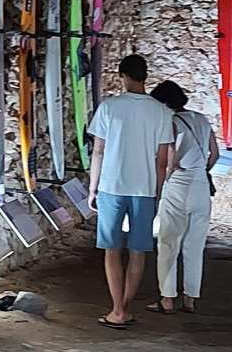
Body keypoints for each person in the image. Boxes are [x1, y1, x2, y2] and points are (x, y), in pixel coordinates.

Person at [87, 54, 173, 329]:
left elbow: (98, 151)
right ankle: (125, 307)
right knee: (138, 252)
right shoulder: (161, 111)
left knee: (111, 250)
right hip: (144, 188)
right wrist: (157, 193)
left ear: (123, 76)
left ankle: (116, 310)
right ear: (145, 76)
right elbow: (162, 161)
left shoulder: (110, 107)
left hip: (112, 185)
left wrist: (92, 188)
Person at [148, 80, 218, 314]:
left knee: (168, 242)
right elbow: (214, 154)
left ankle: (167, 298)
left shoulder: (171, 123)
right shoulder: (201, 119)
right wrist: (201, 171)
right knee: (194, 245)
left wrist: (162, 183)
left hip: (179, 184)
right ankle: (190, 298)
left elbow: (170, 159)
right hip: (200, 185)